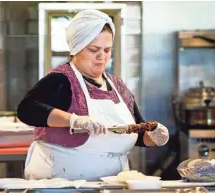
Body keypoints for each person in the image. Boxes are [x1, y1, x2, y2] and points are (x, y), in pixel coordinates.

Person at [17, 9, 169, 181]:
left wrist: (155, 137)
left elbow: (138, 134)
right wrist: (73, 120)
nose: (101, 57)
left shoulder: (118, 87)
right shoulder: (61, 80)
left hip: (110, 185)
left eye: (107, 50)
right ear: (76, 49)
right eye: (94, 49)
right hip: (61, 184)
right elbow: (26, 109)